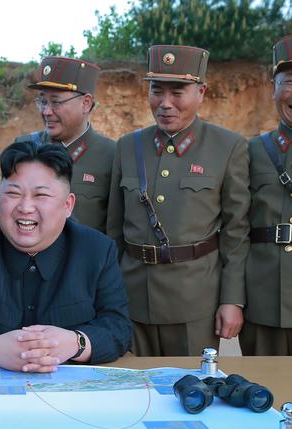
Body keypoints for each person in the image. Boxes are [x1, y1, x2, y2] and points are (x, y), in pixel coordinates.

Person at [0, 142, 131, 371]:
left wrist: (74, 342)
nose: (25, 207)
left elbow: (118, 326)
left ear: (68, 205)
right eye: (13, 193)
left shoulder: (97, 250)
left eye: (41, 195)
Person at [107, 45, 250, 356]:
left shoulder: (228, 148)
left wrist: (232, 299)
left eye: (178, 92)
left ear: (201, 92)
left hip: (194, 301)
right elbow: (114, 230)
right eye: (157, 91)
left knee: (192, 394)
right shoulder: (128, 147)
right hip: (131, 299)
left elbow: (236, 233)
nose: (165, 104)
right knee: (134, 392)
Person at [15, 56, 115, 233]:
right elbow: (6, 217)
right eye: (43, 101)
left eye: (56, 102)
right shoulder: (24, 147)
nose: (46, 111)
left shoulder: (111, 155)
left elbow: (115, 231)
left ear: (86, 103)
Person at [240, 36, 292, 355]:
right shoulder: (251, 151)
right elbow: (234, 230)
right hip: (264, 299)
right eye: (290, 82)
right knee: (263, 396)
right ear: (272, 87)